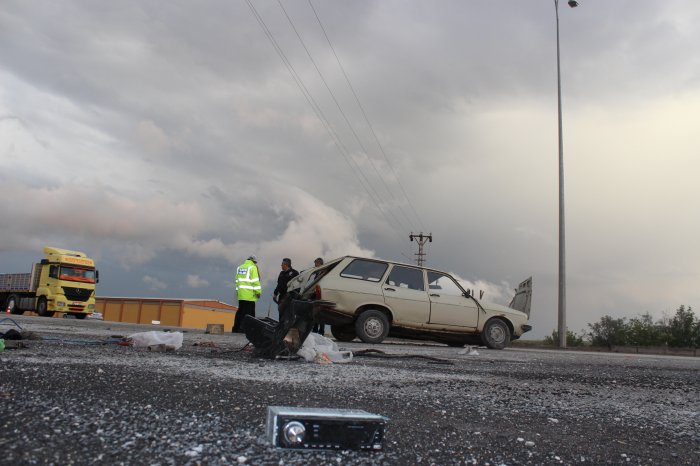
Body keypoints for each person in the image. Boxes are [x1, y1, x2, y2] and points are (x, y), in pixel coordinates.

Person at [233, 255, 261, 333]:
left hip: (241, 294)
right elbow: (255, 281)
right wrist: (258, 292)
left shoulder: (240, 267)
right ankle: (246, 329)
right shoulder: (252, 267)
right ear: (254, 261)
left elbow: (237, 281)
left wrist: (238, 292)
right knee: (249, 313)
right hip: (249, 295)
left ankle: (236, 328)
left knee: (240, 312)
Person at [312, 257, 326, 335]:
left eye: (316, 263)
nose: (315, 264)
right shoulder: (317, 272)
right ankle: (315, 328)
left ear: (320, 263)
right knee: (316, 313)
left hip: (320, 295)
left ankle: (321, 330)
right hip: (316, 295)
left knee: (320, 313)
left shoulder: (323, 272)